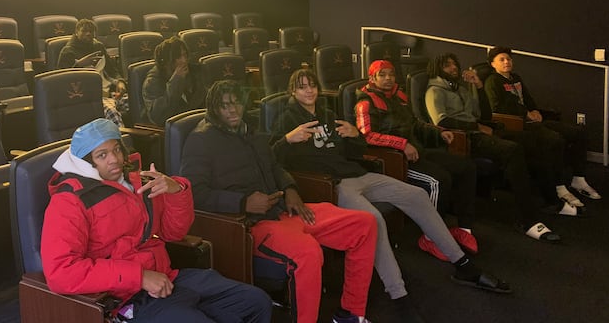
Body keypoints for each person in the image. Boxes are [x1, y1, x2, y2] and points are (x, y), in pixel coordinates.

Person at [270, 70, 510, 322]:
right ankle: (399, 294)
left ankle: (462, 265)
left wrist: (355, 135)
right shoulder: (286, 119)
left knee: (417, 194)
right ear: (292, 92)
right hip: (332, 185)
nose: (309, 91)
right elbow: (270, 159)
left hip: (357, 174)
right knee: (374, 220)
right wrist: (287, 139)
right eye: (302, 87)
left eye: (312, 86)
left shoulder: (328, 115)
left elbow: (356, 150)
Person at [181, 79, 379, 323]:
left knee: (365, 223)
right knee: (308, 253)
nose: (232, 110)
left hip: (284, 210)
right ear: (213, 108)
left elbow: (274, 166)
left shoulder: (249, 130)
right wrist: (243, 202)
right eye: (224, 106)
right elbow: (194, 192)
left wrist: (290, 188)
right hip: (251, 223)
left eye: (236, 103)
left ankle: (350, 313)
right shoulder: (200, 140)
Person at [41, 118, 272, 323]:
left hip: (167, 277)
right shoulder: (69, 201)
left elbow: (173, 233)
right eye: (102, 155)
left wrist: (176, 192)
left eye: (116, 150)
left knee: (256, 301)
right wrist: (139, 277)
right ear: (86, 162)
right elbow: (61, 272)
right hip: (124, 299)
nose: (114, 160)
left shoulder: (139, 182)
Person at [426, 53, 561, 242]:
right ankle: (528, 220)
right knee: (512, 150)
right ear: (437, 69)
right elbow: (441, 120)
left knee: (531, 140)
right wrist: (476, 127)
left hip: (480, 130)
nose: (453, 68)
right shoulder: (434, 91)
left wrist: (479, 87)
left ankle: (552, 199)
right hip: (464, 138)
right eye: (447, 66)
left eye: (454, 64)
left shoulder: (460, 89)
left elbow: (484, 113)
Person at [355, 60, 479, 260]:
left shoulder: (399, 96)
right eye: (382, 75)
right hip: (394, 159)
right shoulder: (365, 102)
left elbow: (415, 124)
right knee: (438, 181)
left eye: (391, 74)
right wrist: (401, 144)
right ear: (372, 78)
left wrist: (440, 132)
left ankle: (464, 228)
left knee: (466, 167)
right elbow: (366, 136)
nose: (388, 79)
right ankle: (431, 238)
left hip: (416, 150)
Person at [484, 46, 600, 214]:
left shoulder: (516, 78)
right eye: (501, 59)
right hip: (518, 123)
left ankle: (578, 178)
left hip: (534, 119)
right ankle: (559, 186)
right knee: (555, 140)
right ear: (493, 64)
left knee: (578, 133)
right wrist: (526, 113)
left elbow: (528, 99)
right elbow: (498, 107)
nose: (506, 62)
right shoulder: (492, 81)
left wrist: (535, 110)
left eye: (508, 59)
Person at [57, 18, 128, 126]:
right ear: (76, 32)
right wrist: (78, 65)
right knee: (112, 112)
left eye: (91, 31)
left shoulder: (98, 46)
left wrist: (120, 82)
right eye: (84, 31)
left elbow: (112, 70)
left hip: (109, 92)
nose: (88, 34)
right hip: (88, 98)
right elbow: (62, 81)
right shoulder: (68, 52)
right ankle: (120, 141)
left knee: (134, 101)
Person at [142, 36, 206, 126]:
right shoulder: (152, 82)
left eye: (184, 55)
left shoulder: (193, 73)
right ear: (165, 62)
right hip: (170, 131)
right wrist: (176, 81)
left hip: (196, 124)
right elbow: (159, 117)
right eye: (178, 57)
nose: (184, 60)